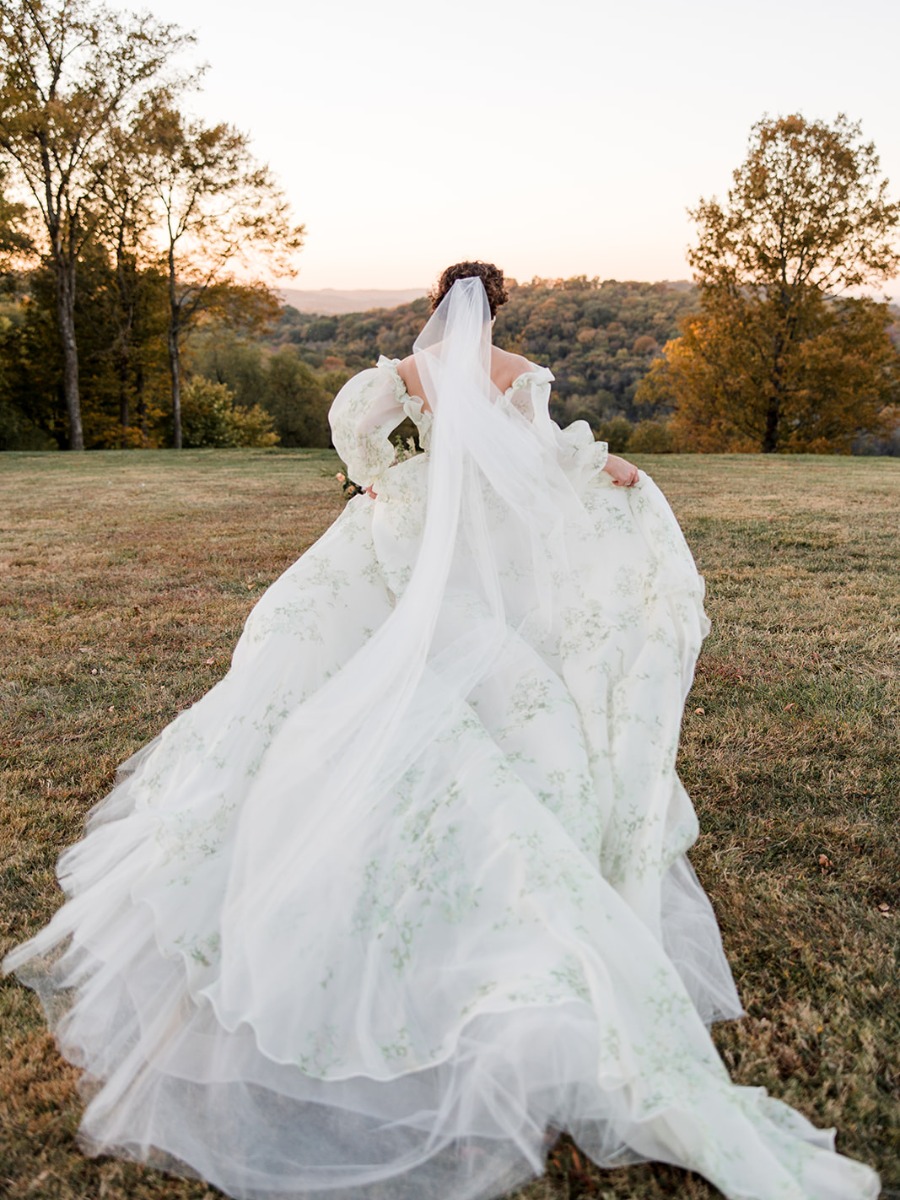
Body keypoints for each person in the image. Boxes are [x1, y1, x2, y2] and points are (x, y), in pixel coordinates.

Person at [3, 262, 880, 1200]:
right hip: (471, 555)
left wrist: (390, 482)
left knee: (306, 665)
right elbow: (548, 463)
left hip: (396, 536)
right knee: (501, 686)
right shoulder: (521, 375)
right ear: (499, 307)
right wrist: (620, 472)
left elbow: (355, 447)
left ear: (436, 308)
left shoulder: (392, 380)